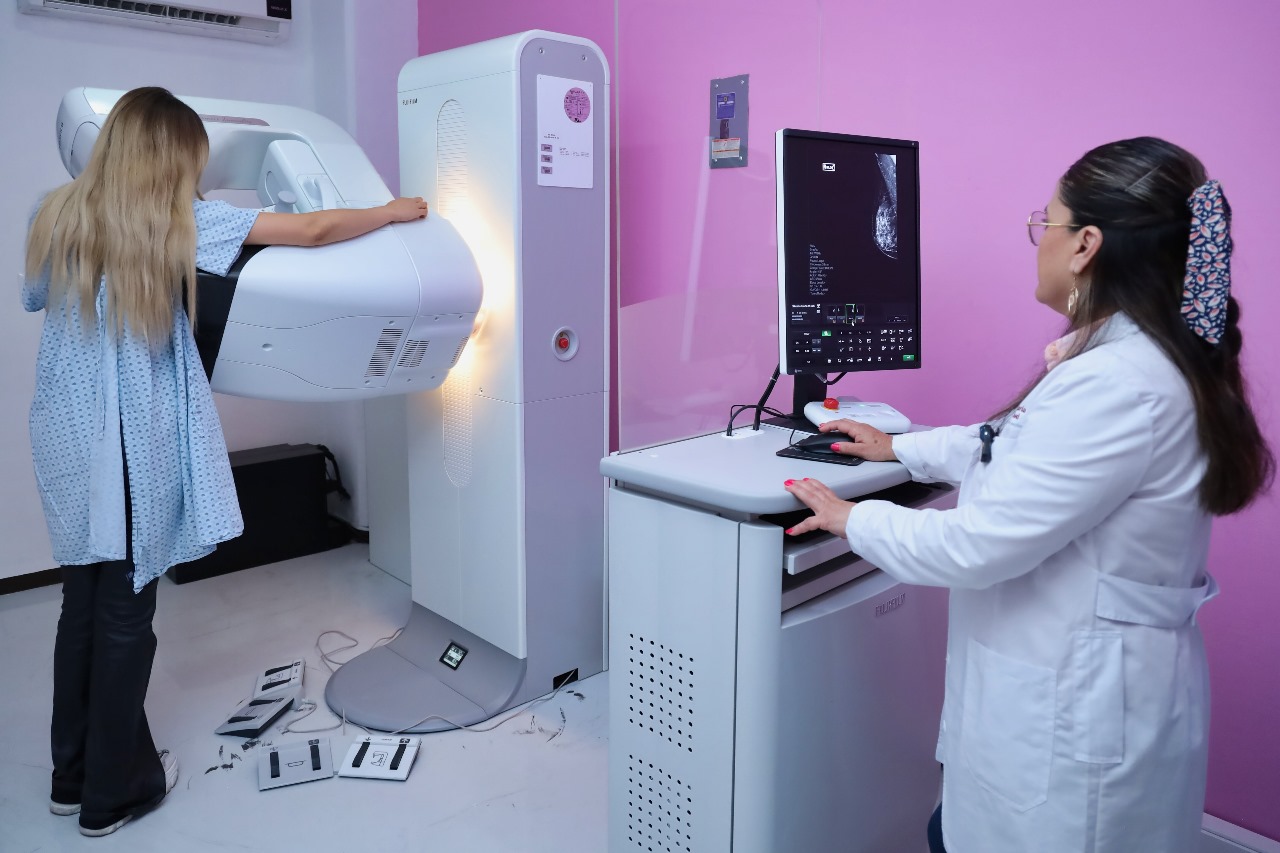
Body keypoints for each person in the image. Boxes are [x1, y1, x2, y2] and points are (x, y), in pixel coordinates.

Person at [783, 137, 1273, 853]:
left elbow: (977, 545)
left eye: (1046, 222)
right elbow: (1011, 446)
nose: (1038, 239)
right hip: (1087, 697)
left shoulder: (1115, 384)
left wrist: (851, 518)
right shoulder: (1138, 358)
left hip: (1075, 730)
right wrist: (901, 446)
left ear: (1085, 246)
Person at [22, 86, 428, 837]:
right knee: (125, 614)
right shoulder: (177, 221)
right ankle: (116, 793)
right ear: (173, 158)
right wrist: (391, 212)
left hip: (67, 438)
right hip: (128, 443)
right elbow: (312, 229)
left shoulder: (54, 214)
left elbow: (38, 297)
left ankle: (70, 776)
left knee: (82, 604)